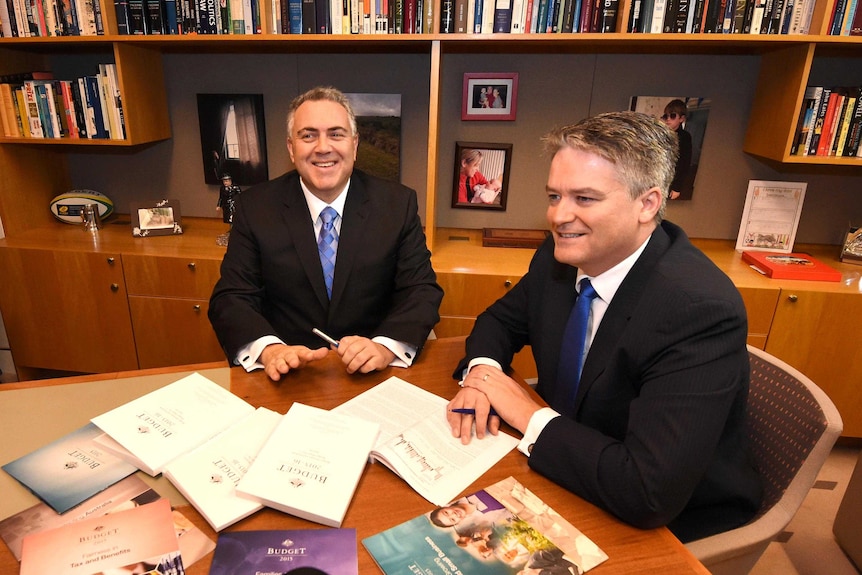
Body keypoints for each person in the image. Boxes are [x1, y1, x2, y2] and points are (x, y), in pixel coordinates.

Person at [445, 111, 761, 543]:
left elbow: (648, 493)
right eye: (554, 196)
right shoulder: (564, 254)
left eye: (584, 199)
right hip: (572, 463)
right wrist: (483, 375)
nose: (558, 216)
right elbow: (500, 320)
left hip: (665, 520)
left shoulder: (698, 310)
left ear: (647, 204)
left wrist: (528, 414)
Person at [208, 86, 443, 381]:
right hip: (289, 373)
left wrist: (384, 347)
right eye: (308, 135)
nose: (322, 147)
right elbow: (231, 298)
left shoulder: (397, 204)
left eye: (336, 134)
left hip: (372, 372)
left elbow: (421, 291)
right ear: (292, 149)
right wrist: (270, 350)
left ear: (354, 145)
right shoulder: (255, 207)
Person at [661, 99, 692, 200]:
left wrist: (677, 187)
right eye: (666, 116)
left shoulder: (685, 137)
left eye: (673, 116)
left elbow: (684, 163)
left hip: (672, 180)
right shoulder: (661, 133)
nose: (668, 119)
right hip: (657, 177)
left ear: (681, 118)